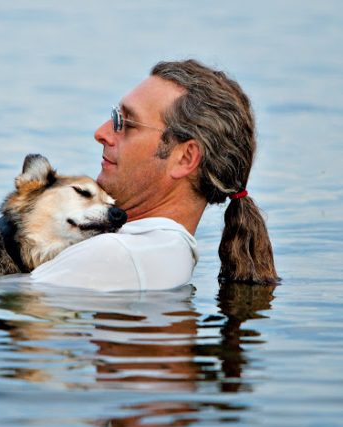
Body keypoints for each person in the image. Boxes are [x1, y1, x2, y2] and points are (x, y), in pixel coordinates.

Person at [31, 59, 278, 291]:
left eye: (127, 123)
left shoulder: (118, 255)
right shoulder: (160, 251)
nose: (101, 133)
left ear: (185, 158)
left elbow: (10, 310)